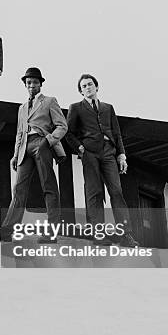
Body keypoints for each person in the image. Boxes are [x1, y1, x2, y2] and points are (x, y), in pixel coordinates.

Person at [0, 67, 67, 242]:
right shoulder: (22, 108)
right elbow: (19, 134)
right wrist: (15, 155)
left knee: (49, 187)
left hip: (42, 143)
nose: (32, 85)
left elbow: (62, 126)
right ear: (25, 84)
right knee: (19, 190)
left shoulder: (50, 101)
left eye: (35, 82)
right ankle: (7, 231)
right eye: (28, 83)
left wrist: (48, 140)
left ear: (40, 84)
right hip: (24, 149)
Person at [65, 73, 140, 247]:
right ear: (80, 91)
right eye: (83, 86)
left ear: (96, 87)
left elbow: (116, 132)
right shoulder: (75, 108)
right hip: (89, 153)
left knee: (116, 191)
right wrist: (80, 148)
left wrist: (121, 154)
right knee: (95, 193)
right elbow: (68, 133)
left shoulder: (108, 108)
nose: (87, 88)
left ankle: (125, 235)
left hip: (108, 153)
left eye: (90, 84)